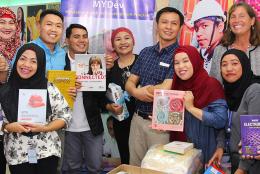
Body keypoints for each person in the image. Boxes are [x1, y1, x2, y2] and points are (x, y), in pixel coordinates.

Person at [0, 43, 72, 174]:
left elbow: (65, 116)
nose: (26, 65)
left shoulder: (50, 88)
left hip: (46, 151)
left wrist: (45, 128)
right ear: (16, 60)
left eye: (33, 61)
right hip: (17, 153)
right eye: (22, 58)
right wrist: (8, 127)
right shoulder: (5, 91)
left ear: (40, 65)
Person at [125, 7, 184, 166]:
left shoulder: (181, 54)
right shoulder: (145, 52)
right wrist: (137, 92)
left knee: (158, 167)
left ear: (180, 28)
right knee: (135, 166)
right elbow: (129, 82)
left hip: (161, 124)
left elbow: (166, 88)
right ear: (156, 25)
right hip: (137, 120)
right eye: (164, 22)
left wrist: (144, 90)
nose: (168, 27)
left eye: (174, 23)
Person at [62, 24, 109, 174]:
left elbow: (102, 98)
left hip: (92, 126)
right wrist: (67, 88)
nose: (82, 40)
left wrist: (104, 74)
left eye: (85, 36)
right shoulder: (59, 63)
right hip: (67, 128)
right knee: (71, 168)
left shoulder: (95, 62)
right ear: (67, 40)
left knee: (95, 167)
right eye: (76, 36)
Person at [171, 45, 227, 166]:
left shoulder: (211, 85)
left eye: (186, 61)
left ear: (195, 61)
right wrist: (166, 123)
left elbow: (220, 120)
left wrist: (191, 108)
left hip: (207, 154)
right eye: (176, 63)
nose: (181, 66)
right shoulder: (177, 87)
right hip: (183, 156)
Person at [209, 49, 260, 174]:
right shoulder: (224, 90)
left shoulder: (254, 90)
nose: (229, 68)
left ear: (244, 65)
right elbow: (223, 122)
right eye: (224, 64)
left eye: (234, 63)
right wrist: (220, 147)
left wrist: (242, 169)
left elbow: (253, 138)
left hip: (251, 166)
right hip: (233, 160)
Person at [105, 27, 137, 164]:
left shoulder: (143, 62)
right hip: (121, 122)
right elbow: (101, 97)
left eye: (127, 38)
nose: (123, 42)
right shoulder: (109, 69)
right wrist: (110, 107)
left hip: (142, 121)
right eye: (118, 39)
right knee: (126, 158)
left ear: (133, 41)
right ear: (113, 45)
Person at [210, 2, 260, 82]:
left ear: (252, 21)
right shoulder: (220, 50)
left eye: (241, 16)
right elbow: (214, 83)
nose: (237, 20)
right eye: (233, 17)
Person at [189, 0, 226, 73]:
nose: (198, 33)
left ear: (220, 27)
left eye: (204, 26)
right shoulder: (202, 53)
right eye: (196, 28)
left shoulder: (228, 56)